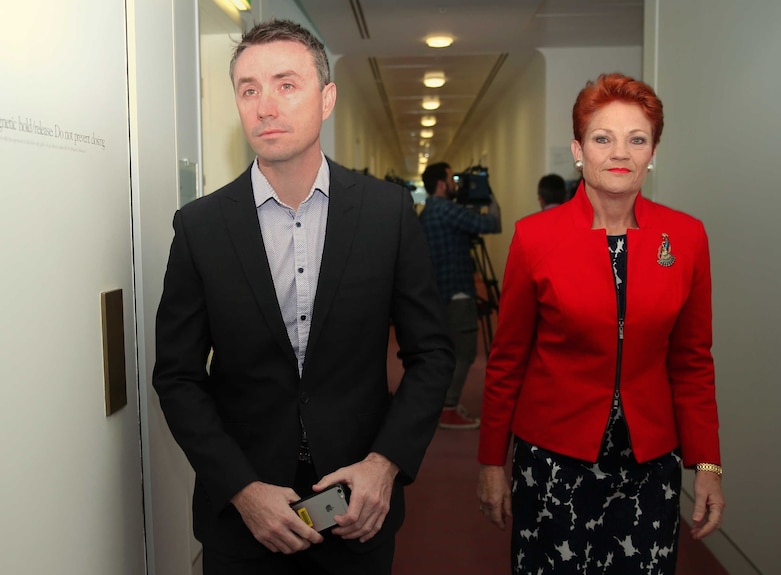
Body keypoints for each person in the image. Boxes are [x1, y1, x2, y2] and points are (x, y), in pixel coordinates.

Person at [152, 19, 454, 575]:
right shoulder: (200, 227)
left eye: (286, 84)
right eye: (249, 89)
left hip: (357, 506)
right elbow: (177, 375)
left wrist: (384, 465)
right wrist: (241, 488)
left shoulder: (386, 216)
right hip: (245, 521)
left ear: (326, 99)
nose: (265, 106)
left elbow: (432, 353)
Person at [476, 73, 725, 574]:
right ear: (578, 149)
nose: (620, 153)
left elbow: (692, 363)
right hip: (552, 460)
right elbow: (507, 360)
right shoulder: (534, 238)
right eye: (602, 138)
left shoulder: (686, 237)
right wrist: (490, 462)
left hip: (650, 465)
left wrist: (708, 465)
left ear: (653, 151)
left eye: (637, 139)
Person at [419, 162, 501, 429]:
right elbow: (492, 223)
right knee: (464, 352)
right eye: (451, 179)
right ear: (442, 184)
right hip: (457, 291)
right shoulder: (447, 210)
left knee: (446, 351)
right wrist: (488, 194)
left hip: (438, 293)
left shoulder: (428, 211)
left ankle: (444, 402)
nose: (456, 183)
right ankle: (449, 407)